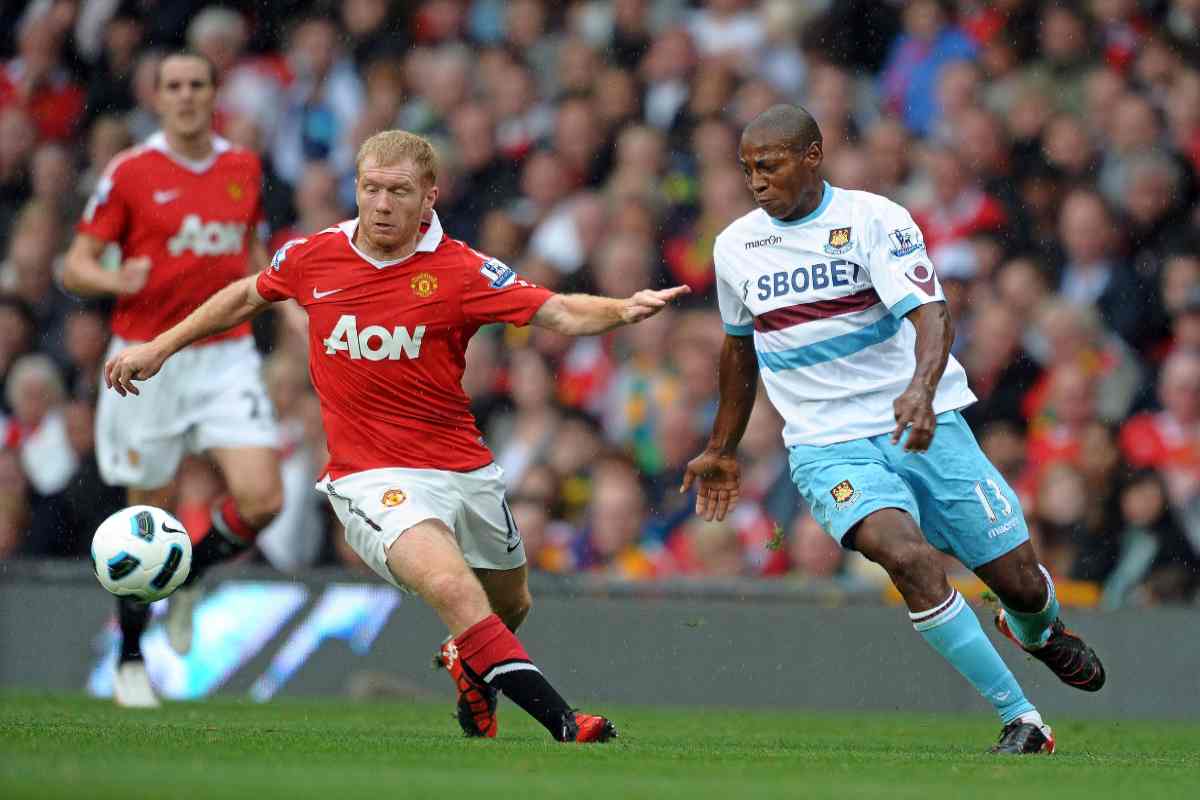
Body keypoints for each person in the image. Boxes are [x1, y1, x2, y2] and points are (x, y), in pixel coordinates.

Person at [105, 129, 689, 742]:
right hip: (369, 476)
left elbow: (558, 311)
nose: (382, 204)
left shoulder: (461, 270)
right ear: (356, 188)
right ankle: (566, 723)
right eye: (371, 189)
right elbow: (247, 296)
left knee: (508, 607)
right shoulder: (313, 257)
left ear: (429, 197)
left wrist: (621, 309)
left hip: (462, 468)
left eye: (399, 192)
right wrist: (162, 346)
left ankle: (470, 666)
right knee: (449, 585)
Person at [681, 105, 1105, 756]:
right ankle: (1021, 717)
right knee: (903, 555)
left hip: (920, 421)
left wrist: (920, 388)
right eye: (747, 169)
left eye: (769, 165)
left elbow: (931, 313)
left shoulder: (874, 220)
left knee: (1019, 580)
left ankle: (1037, 630)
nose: (756, 181)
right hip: (827, 444)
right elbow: (739, 351)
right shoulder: (736, 247)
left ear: (812, 156)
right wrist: (719, 447)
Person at [62, 51, 284, 709]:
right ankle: (132, 659)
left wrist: (292, 305)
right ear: (156, 97)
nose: (186, 96)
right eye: (174, 86)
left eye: (197, 85)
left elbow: (252, 255)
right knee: (144, 514)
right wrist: (111, 278)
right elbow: (74, 265)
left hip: (224, 352)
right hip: (145, 356)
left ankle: (189, 574)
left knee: (263, 498)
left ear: (214, 94)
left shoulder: (243, 167)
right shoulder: (131, 172)